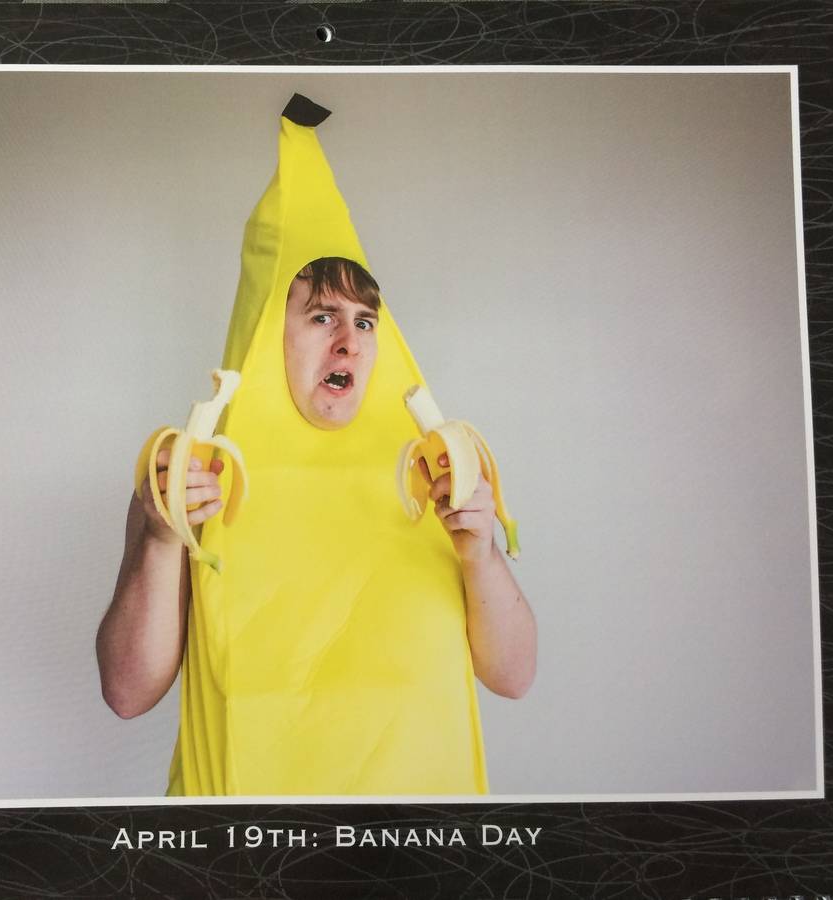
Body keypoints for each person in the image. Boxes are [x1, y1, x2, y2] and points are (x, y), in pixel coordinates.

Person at [97, 94, 536, 795]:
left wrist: (480, 553)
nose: (349, 341)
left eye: (366, 323)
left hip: (417, 854)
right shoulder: (185, 483)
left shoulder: (438, 476)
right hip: (249, 854)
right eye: (323, 316)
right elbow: (126, 692)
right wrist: (158, 537)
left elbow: (513, 677)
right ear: (266, 336)